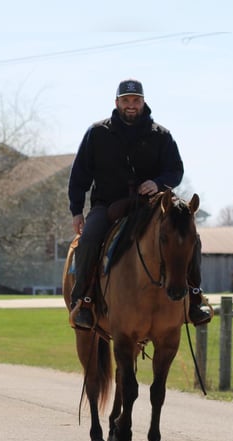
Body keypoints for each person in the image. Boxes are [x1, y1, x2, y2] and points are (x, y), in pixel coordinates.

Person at [68, 78, 211, 329]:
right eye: (126, 101)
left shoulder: (161, 135)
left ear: (143, 102)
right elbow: (80, 174)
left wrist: (157, 183)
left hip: (151, 205)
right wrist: (76, 210)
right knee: (89, 238)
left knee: (189, 236)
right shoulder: (97, 133)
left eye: (136, 100)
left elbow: (175, 171)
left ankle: (195, 298)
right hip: (108, 205)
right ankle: (84, 301)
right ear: (117, 103)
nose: (131, 105)